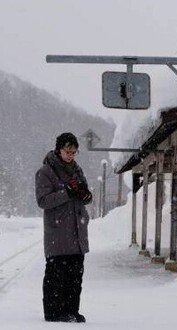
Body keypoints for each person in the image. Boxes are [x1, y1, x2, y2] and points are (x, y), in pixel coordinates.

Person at [35, 132, 92, 323]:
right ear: (58, 149)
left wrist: (86, 195)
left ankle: (72, 310)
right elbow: (43, 201)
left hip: (77, 231)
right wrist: (66, 192)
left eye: (74, 152)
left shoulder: (77, 170)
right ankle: (53, 313)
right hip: (58, 233)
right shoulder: (45, 171)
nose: (71, 155)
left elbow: (84, 193)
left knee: (75, 277)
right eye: (68, 151)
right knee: (56, 276)